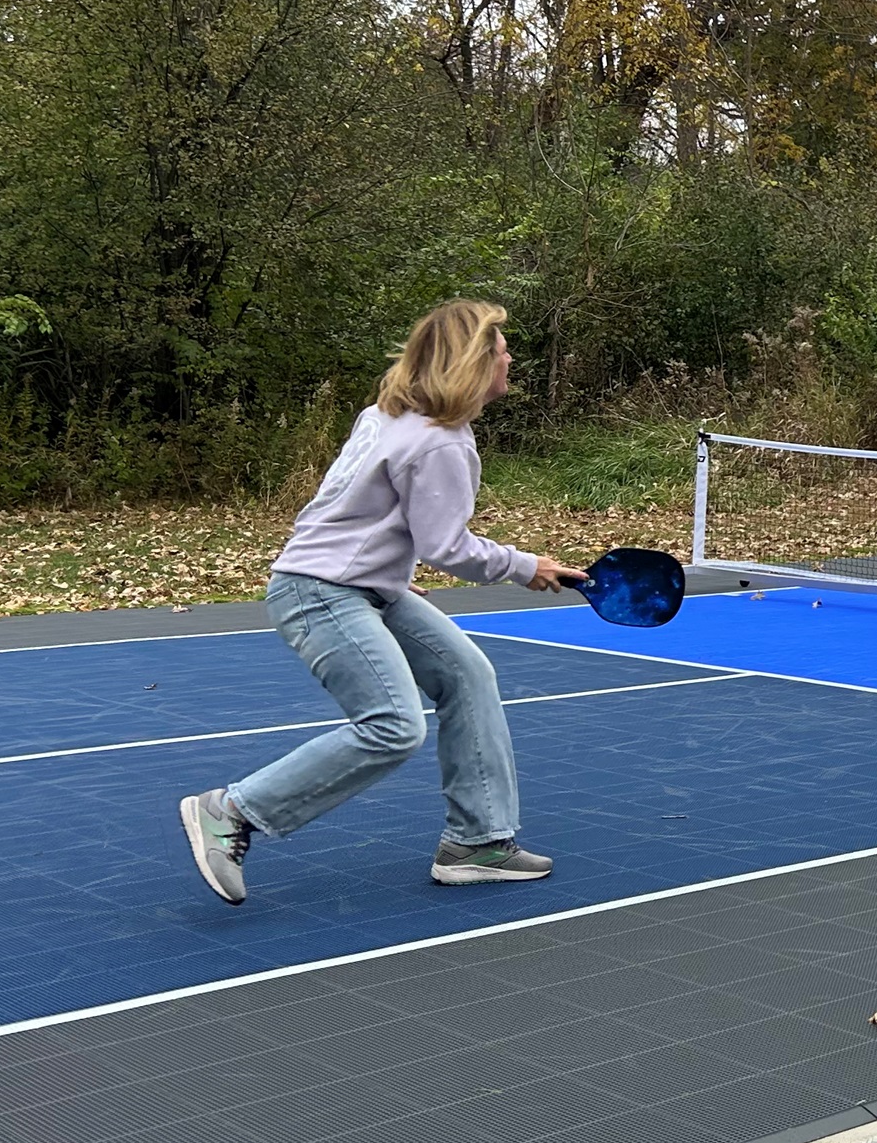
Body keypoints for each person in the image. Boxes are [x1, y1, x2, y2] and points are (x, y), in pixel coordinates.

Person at [178, 301, 583, 906]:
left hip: (357, 584)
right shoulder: (441, 443)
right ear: (474, 360)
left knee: (468, 675)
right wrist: (529, 566)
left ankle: (477, 844)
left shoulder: (386, 416)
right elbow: (449, 548)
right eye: (500, 347)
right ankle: (232, 810)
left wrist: (382, 568)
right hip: (321, 593)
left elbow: (343, 509)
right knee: (392, 726)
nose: (509, 356)